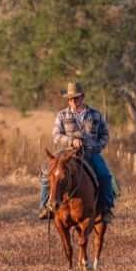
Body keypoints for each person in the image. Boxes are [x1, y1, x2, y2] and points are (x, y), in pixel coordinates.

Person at [39, 82, 114, 223]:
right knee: (46, 172)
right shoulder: (61, 115)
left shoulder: (96, 115)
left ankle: (107, 208)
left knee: (104, 174)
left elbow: (104, 134)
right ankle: (46, 206)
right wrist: (71, 140)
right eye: (70, 99)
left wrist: (97, 147)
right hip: (68, 155)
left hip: (91, 154)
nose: (73, 101)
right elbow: (56, 135)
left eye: (76, 98)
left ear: (83, 97)